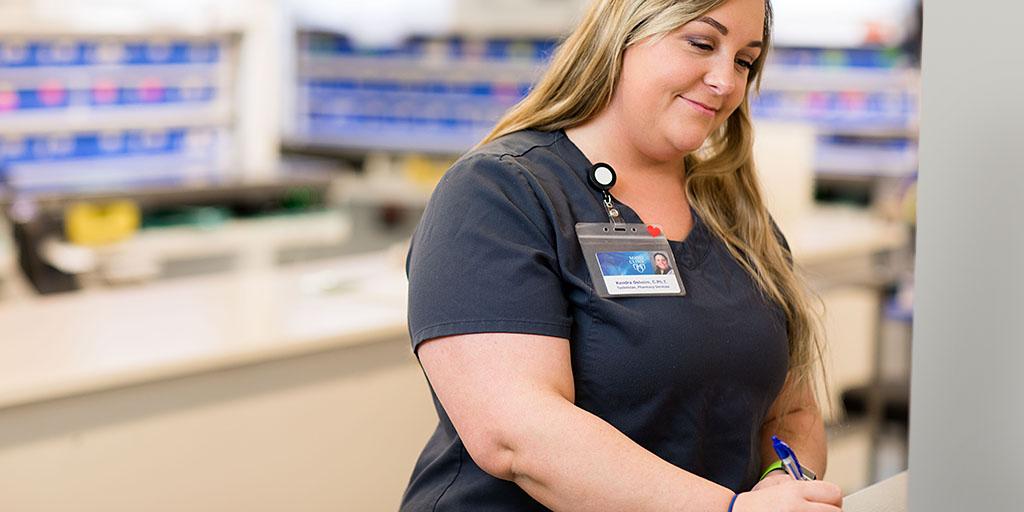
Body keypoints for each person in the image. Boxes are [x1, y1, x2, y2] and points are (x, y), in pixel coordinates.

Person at [401, 0, 843, 510]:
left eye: (745, 61)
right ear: (621, 34)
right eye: (701, 43)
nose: (726, 81)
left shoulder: (734, 214)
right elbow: (515, 433)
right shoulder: (499, 191)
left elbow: (791, 413)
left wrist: (785, 481)